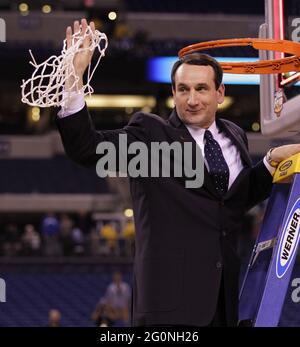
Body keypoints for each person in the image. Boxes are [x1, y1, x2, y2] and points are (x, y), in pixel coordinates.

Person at [56, 19, 300, 326]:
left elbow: (230, 203)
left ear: (220, 92)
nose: (192, 99)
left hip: (224, 304)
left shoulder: (234, 135)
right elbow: (85, 148)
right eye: (183, 89)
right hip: (167, 311)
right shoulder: (150, 135)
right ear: (173, 92)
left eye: (201, 89)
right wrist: (74, 76)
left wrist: (266, 166)